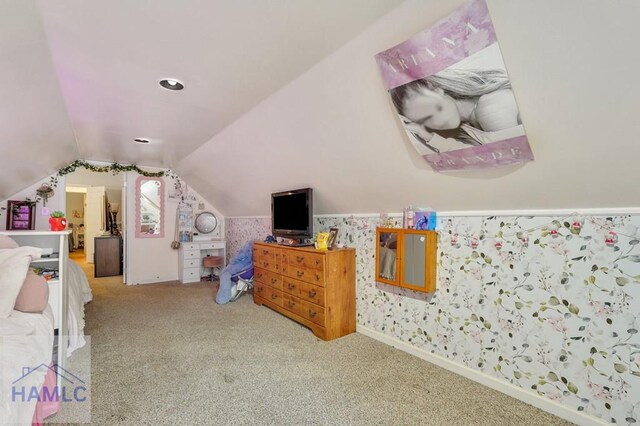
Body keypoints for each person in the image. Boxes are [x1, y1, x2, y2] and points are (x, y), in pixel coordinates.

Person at [389, 68, 523, 153]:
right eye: (425, 120)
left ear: (436, 89)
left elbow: (506, 157)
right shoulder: (469, 124)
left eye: (432, 109)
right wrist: (424, 134)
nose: (437, 122)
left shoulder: (490, 108)